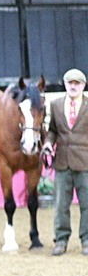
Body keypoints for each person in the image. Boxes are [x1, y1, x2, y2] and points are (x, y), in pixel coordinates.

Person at [43, 67, 88, 256]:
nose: (73, 86)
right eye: (70, 83)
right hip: (62, 162)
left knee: (87, 204)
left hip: (85, 163)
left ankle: (86, 240)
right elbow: (52, 130)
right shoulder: (55, 105)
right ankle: (61, 240)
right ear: (65, 84)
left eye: (77, 83)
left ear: (83, 85)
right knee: (61, 204)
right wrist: (47, 143)